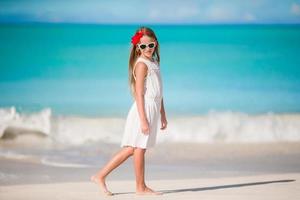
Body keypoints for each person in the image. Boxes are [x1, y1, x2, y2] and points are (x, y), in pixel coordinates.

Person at [90, 26, 168, 196]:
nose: (147, 49)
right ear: (137, 47)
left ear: (155, 44)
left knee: (132, 149)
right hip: (143, 110)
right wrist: (143, 119)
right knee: (138, 148)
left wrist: (163, 114)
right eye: (143, 46)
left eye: (150, 45)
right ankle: (140, 187)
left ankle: (100, 175)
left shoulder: (154, 62)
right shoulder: (141, 65)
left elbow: (159, 92)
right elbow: (139, 94)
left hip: (152, 109)